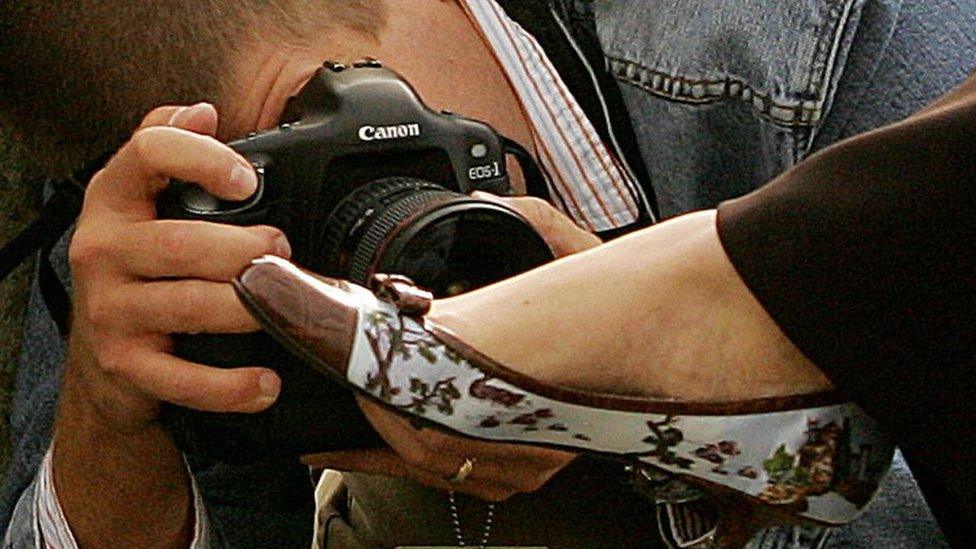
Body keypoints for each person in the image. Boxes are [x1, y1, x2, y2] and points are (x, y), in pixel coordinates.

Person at [0, 0, 969, 546]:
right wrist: (109, 432)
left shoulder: (787, 27)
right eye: (280, 178)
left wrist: (633, 454)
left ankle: (725, 292)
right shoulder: (151, 238)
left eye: (398, 134)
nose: (417, 290)